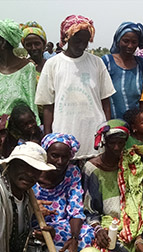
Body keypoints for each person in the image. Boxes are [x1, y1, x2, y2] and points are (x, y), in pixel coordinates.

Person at [83, 119, 143, 252]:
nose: (117, 147)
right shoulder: (92, 169)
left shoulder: (132, 163)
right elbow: (90, 209)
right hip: (109, 226)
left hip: (138, 224)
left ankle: (137, 242)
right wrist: (98, 229)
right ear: (104, 142)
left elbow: (138, 201)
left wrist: (137, 234)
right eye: (112, 143)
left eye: (120, 142)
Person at [35, 15, 115, 161]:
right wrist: (48, 138)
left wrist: (106, 131)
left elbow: (106, 101)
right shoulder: (53, 64)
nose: (81, 45)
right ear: (66, 38)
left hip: (94, 136)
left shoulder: (97, 63)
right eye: (77, 40)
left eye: (85, 42)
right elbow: (48, 105)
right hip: (63, 138)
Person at [33, 133, 95, 252]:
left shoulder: (71, 172)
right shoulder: (33, 173)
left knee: (87, 233)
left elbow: (76, 209)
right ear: (46, 154)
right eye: (55, 156)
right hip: (38, 227)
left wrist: (74, 238)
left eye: (65, 157)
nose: (60, 161)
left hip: (64, 226)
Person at [102, 22, 143, 119]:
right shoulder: (107, 62)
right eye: (126, 41)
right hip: (112, 124)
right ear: (118, 41)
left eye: (134, 42)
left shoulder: (141, 65)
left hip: (136, 126)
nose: (130, 46)